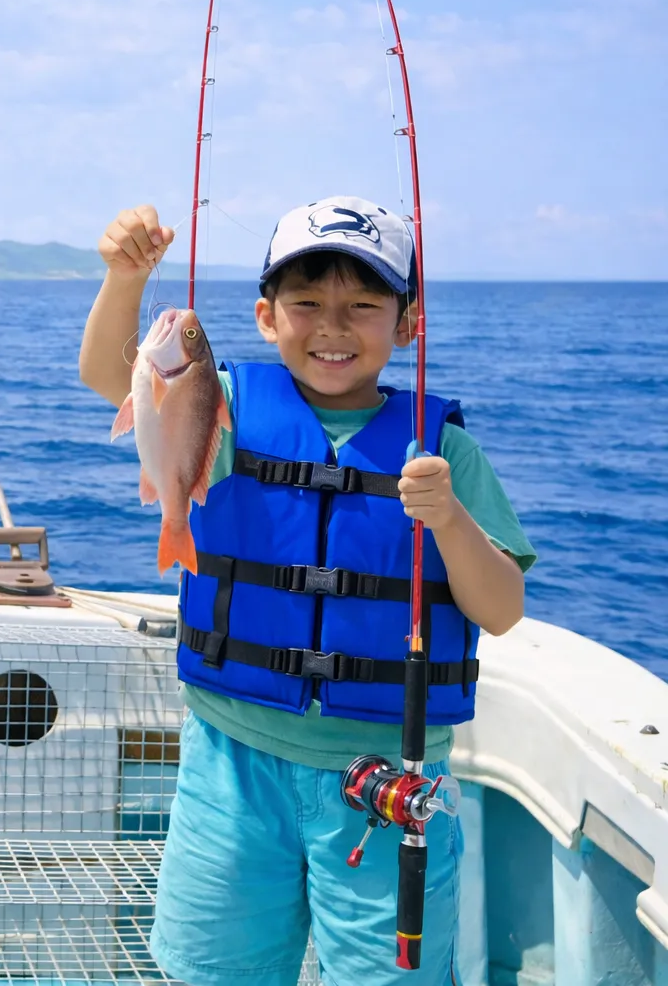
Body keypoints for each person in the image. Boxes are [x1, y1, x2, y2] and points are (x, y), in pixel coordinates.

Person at [80, 197, 536, 986]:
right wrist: (126, 280)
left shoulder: (445, 451)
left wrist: (451, 519)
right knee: (214, 972)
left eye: (363, 306)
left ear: (408, 325)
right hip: (231, 762)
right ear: (266, 318)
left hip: (385, 780)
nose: (332, 327)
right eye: (306, 303)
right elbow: (104, 376)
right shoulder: (219, 408)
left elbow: (501, 609)